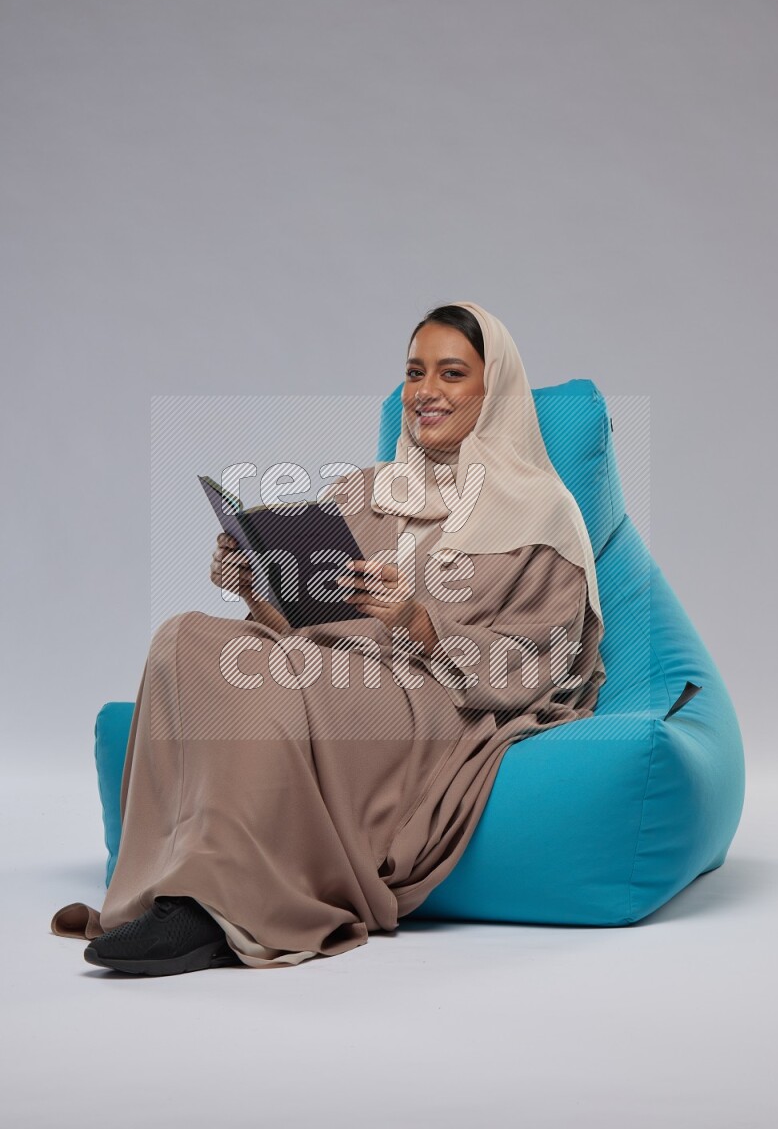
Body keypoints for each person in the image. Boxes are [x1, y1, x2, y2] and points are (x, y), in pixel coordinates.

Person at [50, 300, 607, 974]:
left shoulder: (541, 509)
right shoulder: (368, 490)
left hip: (439, 694)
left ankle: (218, 911)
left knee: (284, 677)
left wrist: (419, 619)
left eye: (451, 373)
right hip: (343, 662)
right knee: (186, 636)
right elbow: (307, 624)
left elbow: (543, 662)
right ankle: (164, 888)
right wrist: (256, 583)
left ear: (495, 392)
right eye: (414, 371)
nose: (426, 391)